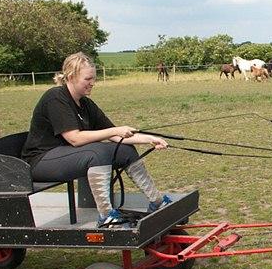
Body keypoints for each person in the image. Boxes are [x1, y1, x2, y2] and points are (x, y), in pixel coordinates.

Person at [22, 52, 171, 226]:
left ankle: (157, 201)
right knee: (97, 153)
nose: (92, 83)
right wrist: (115, 131)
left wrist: (149, 139)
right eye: (88, 79)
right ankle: (106, 215)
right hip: (40, 161)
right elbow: (75, 139)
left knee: (124, 150)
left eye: (94, 78)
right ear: (71, 76)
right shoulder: (55, 97)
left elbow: (116, 136)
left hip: (66, 155)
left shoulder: (85, 103)